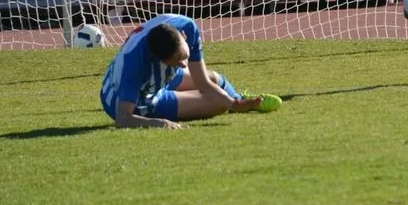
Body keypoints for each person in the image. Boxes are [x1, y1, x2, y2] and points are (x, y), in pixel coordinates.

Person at [100, 13, 282, 128]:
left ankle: (239, 100)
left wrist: (235, 104)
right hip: (133, 100)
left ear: (183, 36)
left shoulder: (187, 27)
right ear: (160, 62)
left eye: (184, 57)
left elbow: (203, 83)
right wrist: (159, 123)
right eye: (176, 63)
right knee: (218, 104)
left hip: (157, 74)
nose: (184, 65)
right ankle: (232, 103)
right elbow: (123, 119)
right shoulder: (134, 65)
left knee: (215, 79)